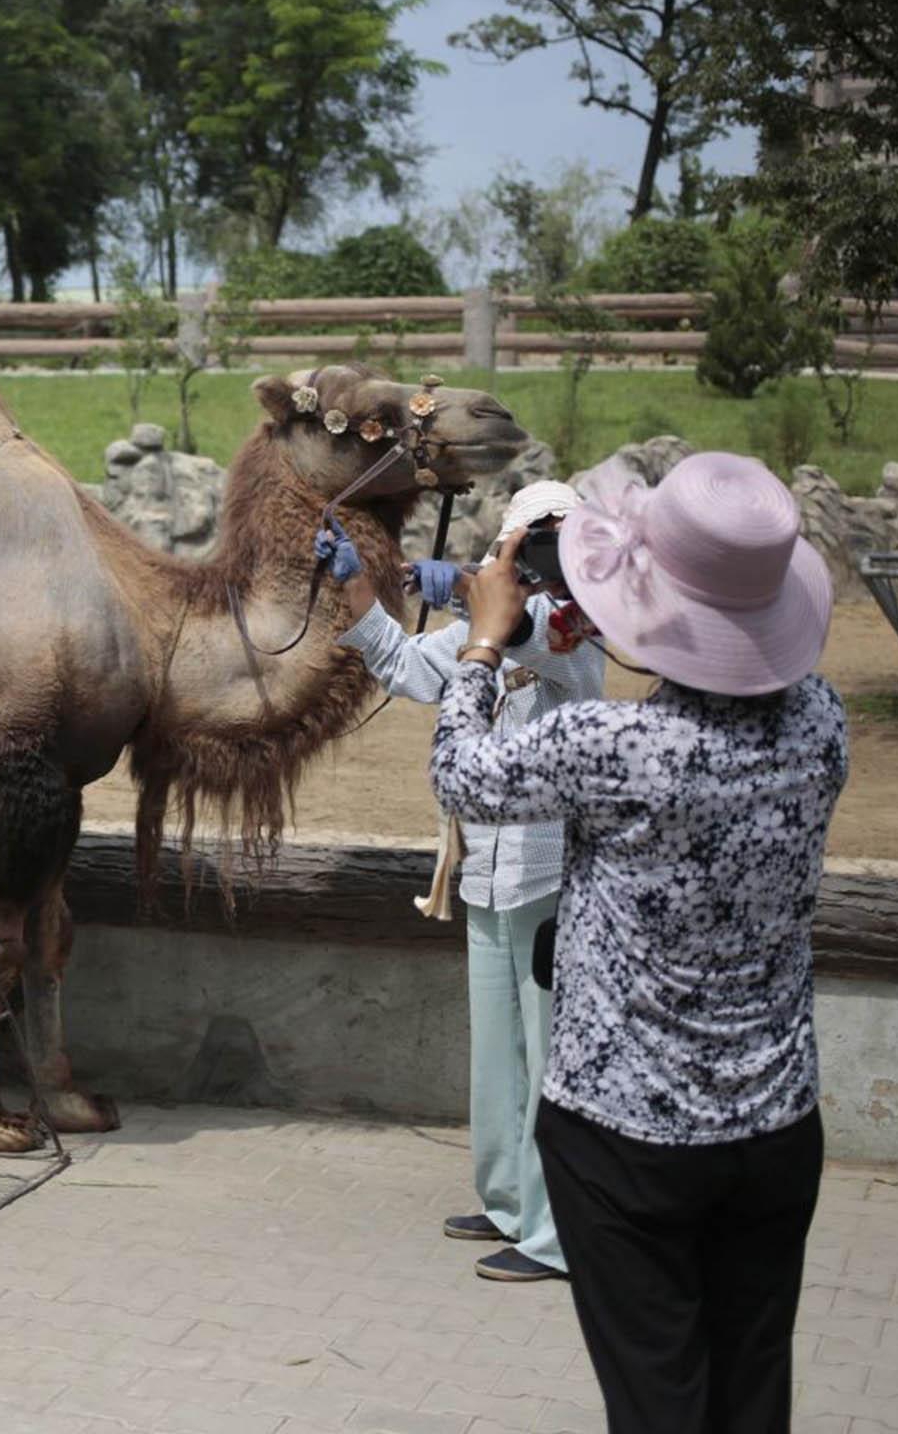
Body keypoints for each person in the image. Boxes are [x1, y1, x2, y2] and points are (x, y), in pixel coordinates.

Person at [427, 452, 846, 1434]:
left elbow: (463, 776)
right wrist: (613, 622)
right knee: (749, 1389)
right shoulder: (822, 724)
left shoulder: (611, 750)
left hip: (624, 1140)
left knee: (658, 1397)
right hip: (776, 1120)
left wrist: (486, 646)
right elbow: (732, 683)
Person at [319, 480, 604, 1284]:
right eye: (524, 541)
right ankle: (512, 1200)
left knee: (553, 1059)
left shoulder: (577, 627)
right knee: (500, 1055)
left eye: (544, 544)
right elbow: (409, 668)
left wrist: (466, 586)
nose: (533, 559)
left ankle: (558, 1237)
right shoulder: (498, 618)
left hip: (553, 875)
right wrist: (357, 585)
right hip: (484, 871)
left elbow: (523, 631)